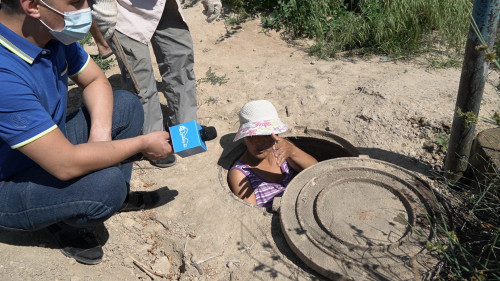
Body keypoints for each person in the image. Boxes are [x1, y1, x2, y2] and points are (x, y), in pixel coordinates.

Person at [0, 0, 173, 265]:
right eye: (77, 2)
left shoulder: (48, 32)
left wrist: (100, 141)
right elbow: (64, 164)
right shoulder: (4, 75)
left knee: (126, 105)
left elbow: (95, 80)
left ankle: (87, 198)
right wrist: (141, 144)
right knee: (106, 187)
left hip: (47, 149)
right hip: (9, 180)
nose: (87, 10)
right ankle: (62, 222)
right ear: (33, 6)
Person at [106, 0, 222, 168]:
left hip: (162, 4)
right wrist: (103, 7)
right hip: (122, 9)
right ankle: (153, 139)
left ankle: (185, 131)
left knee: (180, 63)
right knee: (140, 80)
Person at [228, 100, 318, 209]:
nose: (259, 142)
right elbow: (254, 213)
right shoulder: (240, 174)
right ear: (245, 138)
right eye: (252, 136)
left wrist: (292, 151)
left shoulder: (281, 149)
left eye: (266, 134)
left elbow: (316, 170)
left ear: (276, 134)